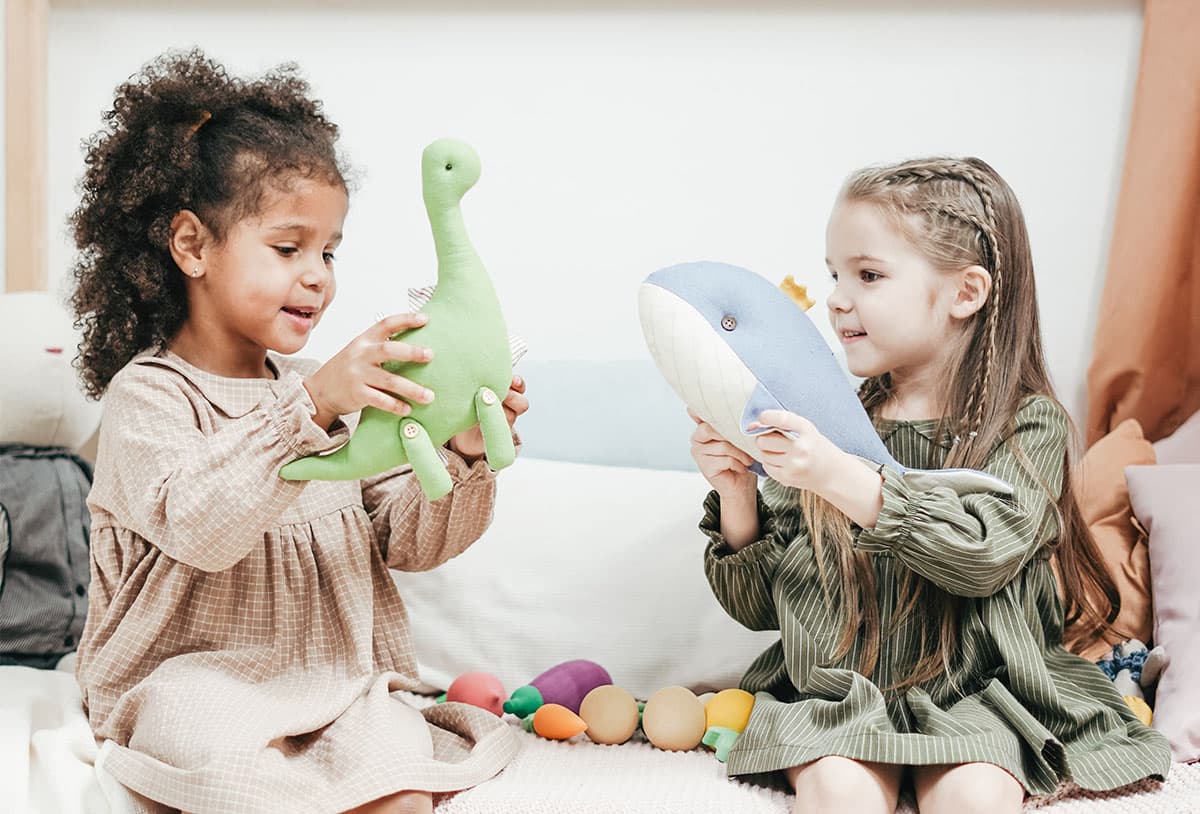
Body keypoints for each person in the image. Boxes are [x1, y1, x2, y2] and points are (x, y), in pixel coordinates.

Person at [70, 50, 525, 814]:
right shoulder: (148, 397)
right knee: (233, 775)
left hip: (334, 679)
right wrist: (309, 408)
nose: (318, 275)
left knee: (403, 781)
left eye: (329, 251)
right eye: (289, 248)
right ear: (192, 246)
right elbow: (202, 526)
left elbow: (407, 542)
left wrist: (459, 453)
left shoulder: (331, 390)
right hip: (188, 678)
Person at [691, 157, 1171, 813]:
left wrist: (839, 474)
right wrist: (738, 495)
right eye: (834, 273)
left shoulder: (1025, 426)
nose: (836, 297)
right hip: (842, 697)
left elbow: (980, 558)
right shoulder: (822, 420)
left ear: (965, 294)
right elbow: (760, 611)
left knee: (975, 794)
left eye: (868, 274)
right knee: (837, 790)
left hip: (980, 697)